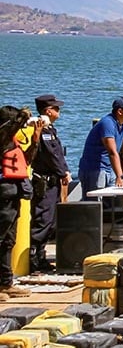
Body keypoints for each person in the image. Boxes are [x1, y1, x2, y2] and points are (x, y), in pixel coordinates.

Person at [0, 105, 38, 298]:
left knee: (9, 240)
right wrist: (21, 118)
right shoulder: (2, 139)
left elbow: (26, 160)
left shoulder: (12, 141)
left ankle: (6, 282)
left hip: (14, 195)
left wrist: (35, 139)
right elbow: (6, 132)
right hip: (3, 195)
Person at [29, 95, 68, 272]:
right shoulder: (44, 132)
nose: (58, 111)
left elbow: (58, 155)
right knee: (43, 219)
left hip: (53, 182)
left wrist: (64, 171)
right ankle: (33, 258)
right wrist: (63, 172)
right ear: (48, 111)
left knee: (50, 221)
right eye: (56, 108)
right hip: (45, 182)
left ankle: (41, 256)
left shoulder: (50, 130)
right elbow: (51, 156)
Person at [79, 97, 123, 196]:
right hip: (95, 169)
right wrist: (120, 176)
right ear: (120, 111)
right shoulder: (107, 123)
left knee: (114, 200)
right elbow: (112, 152)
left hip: (110, 168)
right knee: (95, 202)